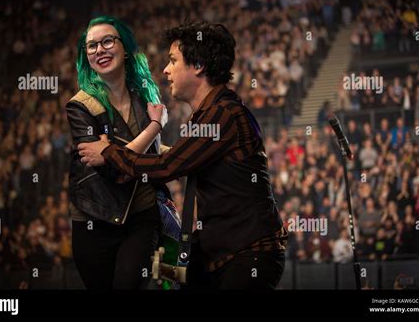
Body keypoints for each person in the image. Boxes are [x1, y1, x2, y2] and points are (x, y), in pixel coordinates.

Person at [78, 21, 288, 290]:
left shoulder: (223, 115)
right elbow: (179, 157)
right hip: (222, 256)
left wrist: (108, 152)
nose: (165, 70)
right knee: (166, 275)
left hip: (249, 257)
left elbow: (168, 166)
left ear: (198, 66)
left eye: (173, 61)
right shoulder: (211, 115)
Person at [66, 15, 173, 290]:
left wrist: (117, 153)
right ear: (86, 56)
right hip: (94, 219)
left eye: (107, 41)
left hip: (142, 215)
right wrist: (154, 127)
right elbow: (113, 169)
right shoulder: (79, 105)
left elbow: (139, 155)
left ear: (125, 48)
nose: (99, 50)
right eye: (91, 46)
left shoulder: (146, 95)